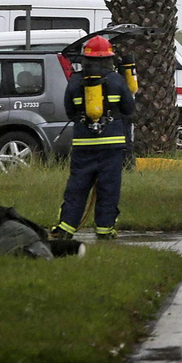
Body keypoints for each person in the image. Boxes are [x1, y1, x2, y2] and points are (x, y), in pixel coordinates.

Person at [52, 35, 134, 240]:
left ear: (85, 59)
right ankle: (105, 230)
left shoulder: (75, 81)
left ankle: (66, 228)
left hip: (83, 145)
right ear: (109, 59)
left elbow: (70, 112)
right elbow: (129, 109)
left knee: (77, 187)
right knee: (109, 188)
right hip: (111, 146)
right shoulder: (117, 80)